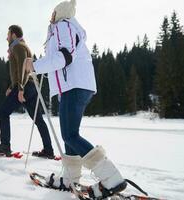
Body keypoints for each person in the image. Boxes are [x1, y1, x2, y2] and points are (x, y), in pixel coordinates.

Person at [24, 0, 127, 198]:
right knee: (69, 135)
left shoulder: (64, 25)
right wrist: (42, 65)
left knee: (70, 135)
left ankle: (111, 178)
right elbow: (61, 58)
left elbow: (65, 56)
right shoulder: (61, 28)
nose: (50, 16)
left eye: (53, 13)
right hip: (72, 87)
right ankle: (71, 178)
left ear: (60, 13)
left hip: (75, 86)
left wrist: (35, 66)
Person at [0, 25, 55, 159]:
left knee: (3, 111)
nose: (6, 37)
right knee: (38, 119)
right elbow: (18, 70)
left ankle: (5, 147)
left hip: (25, 86)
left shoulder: (18, 47)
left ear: (13, 35)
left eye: (8, 34)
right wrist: (12, 87)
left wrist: (20, 89)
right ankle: (48, 150)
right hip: (30, 86)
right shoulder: (19, 47)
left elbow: (23, 67)